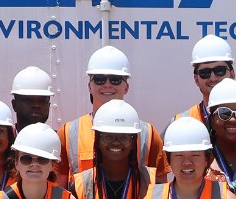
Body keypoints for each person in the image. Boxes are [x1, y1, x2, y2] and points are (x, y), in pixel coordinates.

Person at [58, 45, 165, 183]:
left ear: (126, 87)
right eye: (99, 79)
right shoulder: (68, 133)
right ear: (89, 86)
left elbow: (160, 192)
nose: (107, 85)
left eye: (115, 79)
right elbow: (61, 193)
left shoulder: (148, 135)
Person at [174, 35, 236, 149]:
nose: (213, 78)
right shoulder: (181, 122)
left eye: (220, 71)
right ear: (196, 79)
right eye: (205, 72)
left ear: (232, 74)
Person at [11, 66, 54, 132]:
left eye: (42, 101)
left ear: (49, 105)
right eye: (29, 100)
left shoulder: (58, 140)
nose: (36, 105)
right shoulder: (3, 141)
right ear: (14, 105)